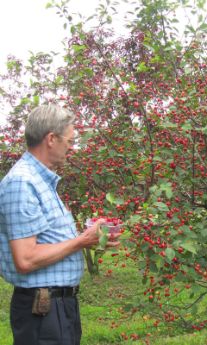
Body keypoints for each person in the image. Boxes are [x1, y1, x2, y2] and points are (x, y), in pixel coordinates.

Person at [0, 104, 120, 345]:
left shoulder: (42, 182)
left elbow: (51, 242)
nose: (71, 148)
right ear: (51, 139)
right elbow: (25, 259)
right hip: (43, 311)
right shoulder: (23, 182)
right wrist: (82, 241)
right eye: (69, 141)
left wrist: (92, 237)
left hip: (56, 307)